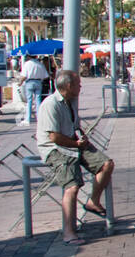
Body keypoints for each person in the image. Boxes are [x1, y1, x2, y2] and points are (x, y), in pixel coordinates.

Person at [37, 69, 115, 244]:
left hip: (73, 143)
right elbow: (54, 137)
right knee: (72, 186)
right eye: (79, 84)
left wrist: (81, 137)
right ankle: (69, 232)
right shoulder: (51, 104)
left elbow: (74, 126)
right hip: (56, 149)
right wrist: (75, 144)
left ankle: (93, 201)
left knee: (106, 164)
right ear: (69, 85)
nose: (81, 87)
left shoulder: (70, 102)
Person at [20, 55, 49, 124]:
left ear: (29, 56)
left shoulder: (27, 64)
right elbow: (46, 76)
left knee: (29, 101)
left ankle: (28, 118)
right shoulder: (40, 64)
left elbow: (24, 75)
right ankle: (39, 118)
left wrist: (20, 82)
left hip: (29, 82)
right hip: (38, 82)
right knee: (38, 100)